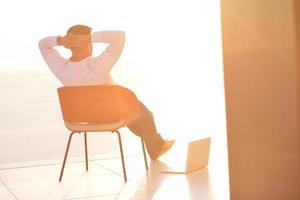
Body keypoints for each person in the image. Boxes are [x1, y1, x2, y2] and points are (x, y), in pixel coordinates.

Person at [39, 24, 174, 160]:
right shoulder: (98, 66)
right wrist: (90, 38)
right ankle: (155, 146)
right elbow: (120, 37)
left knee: (135, 113)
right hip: (110, 116)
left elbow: (42, 45)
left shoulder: (61, 69)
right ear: (88, 44)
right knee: (143, 113)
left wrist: (61, 41)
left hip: (79, 119)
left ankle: (157, 143)